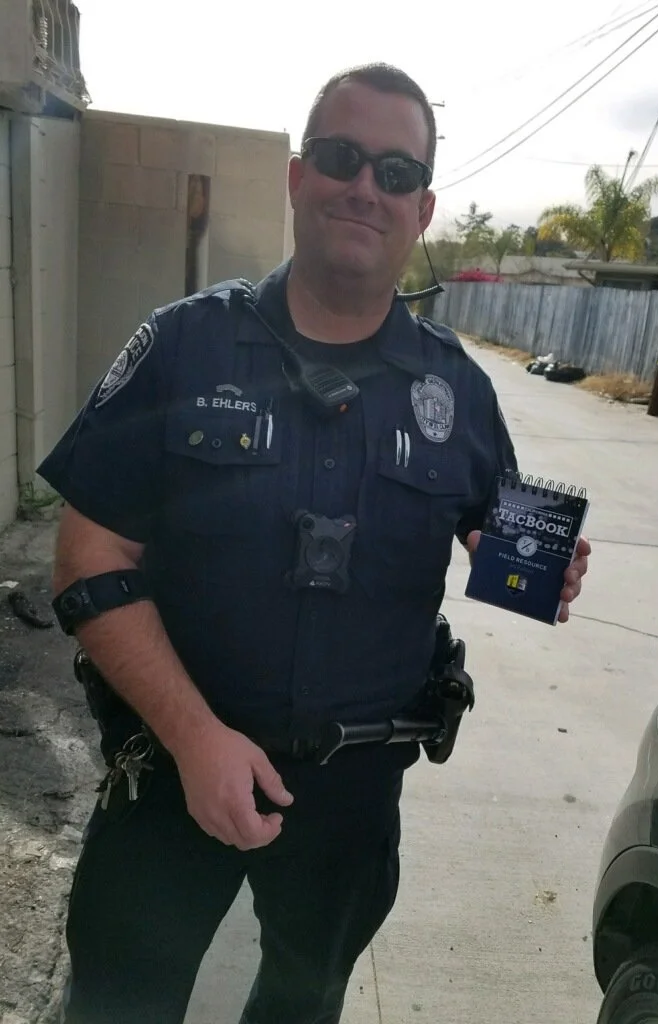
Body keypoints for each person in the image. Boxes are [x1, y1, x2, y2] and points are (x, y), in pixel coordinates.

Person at [37, 62, 591, 1024]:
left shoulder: (456, 389)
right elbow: (88, 561)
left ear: (422, 208)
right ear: (298, 177)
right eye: (341, 158)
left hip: (352, 795)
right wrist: (196, 737)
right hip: (174, 772)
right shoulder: (183, 348)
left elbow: (490, 538)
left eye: (395, 171)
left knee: (303, 1003)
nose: (365, 188)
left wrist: (534, 564)